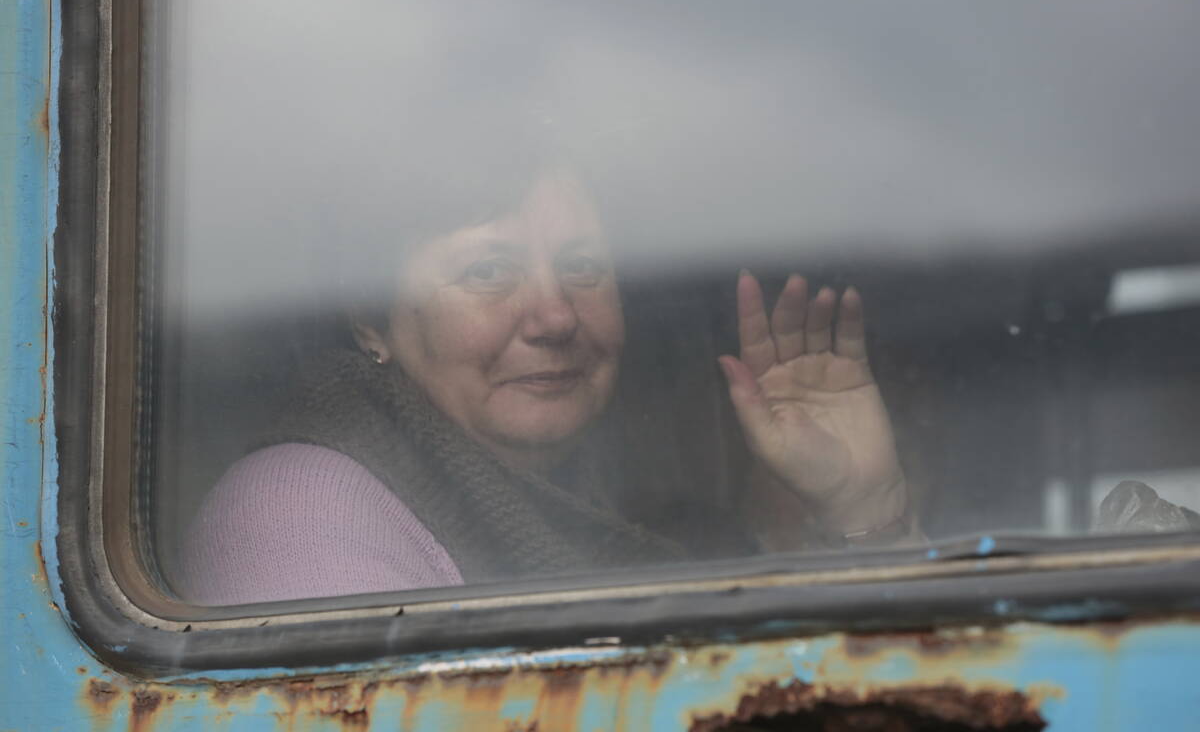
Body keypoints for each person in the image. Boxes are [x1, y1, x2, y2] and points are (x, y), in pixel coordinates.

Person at [181, 169, 918, 605]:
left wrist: (863, 508)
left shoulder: (614, 504)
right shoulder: (299, 511)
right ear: (372, 320)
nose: (557, 315)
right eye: (487, 272)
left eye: (583, 266)